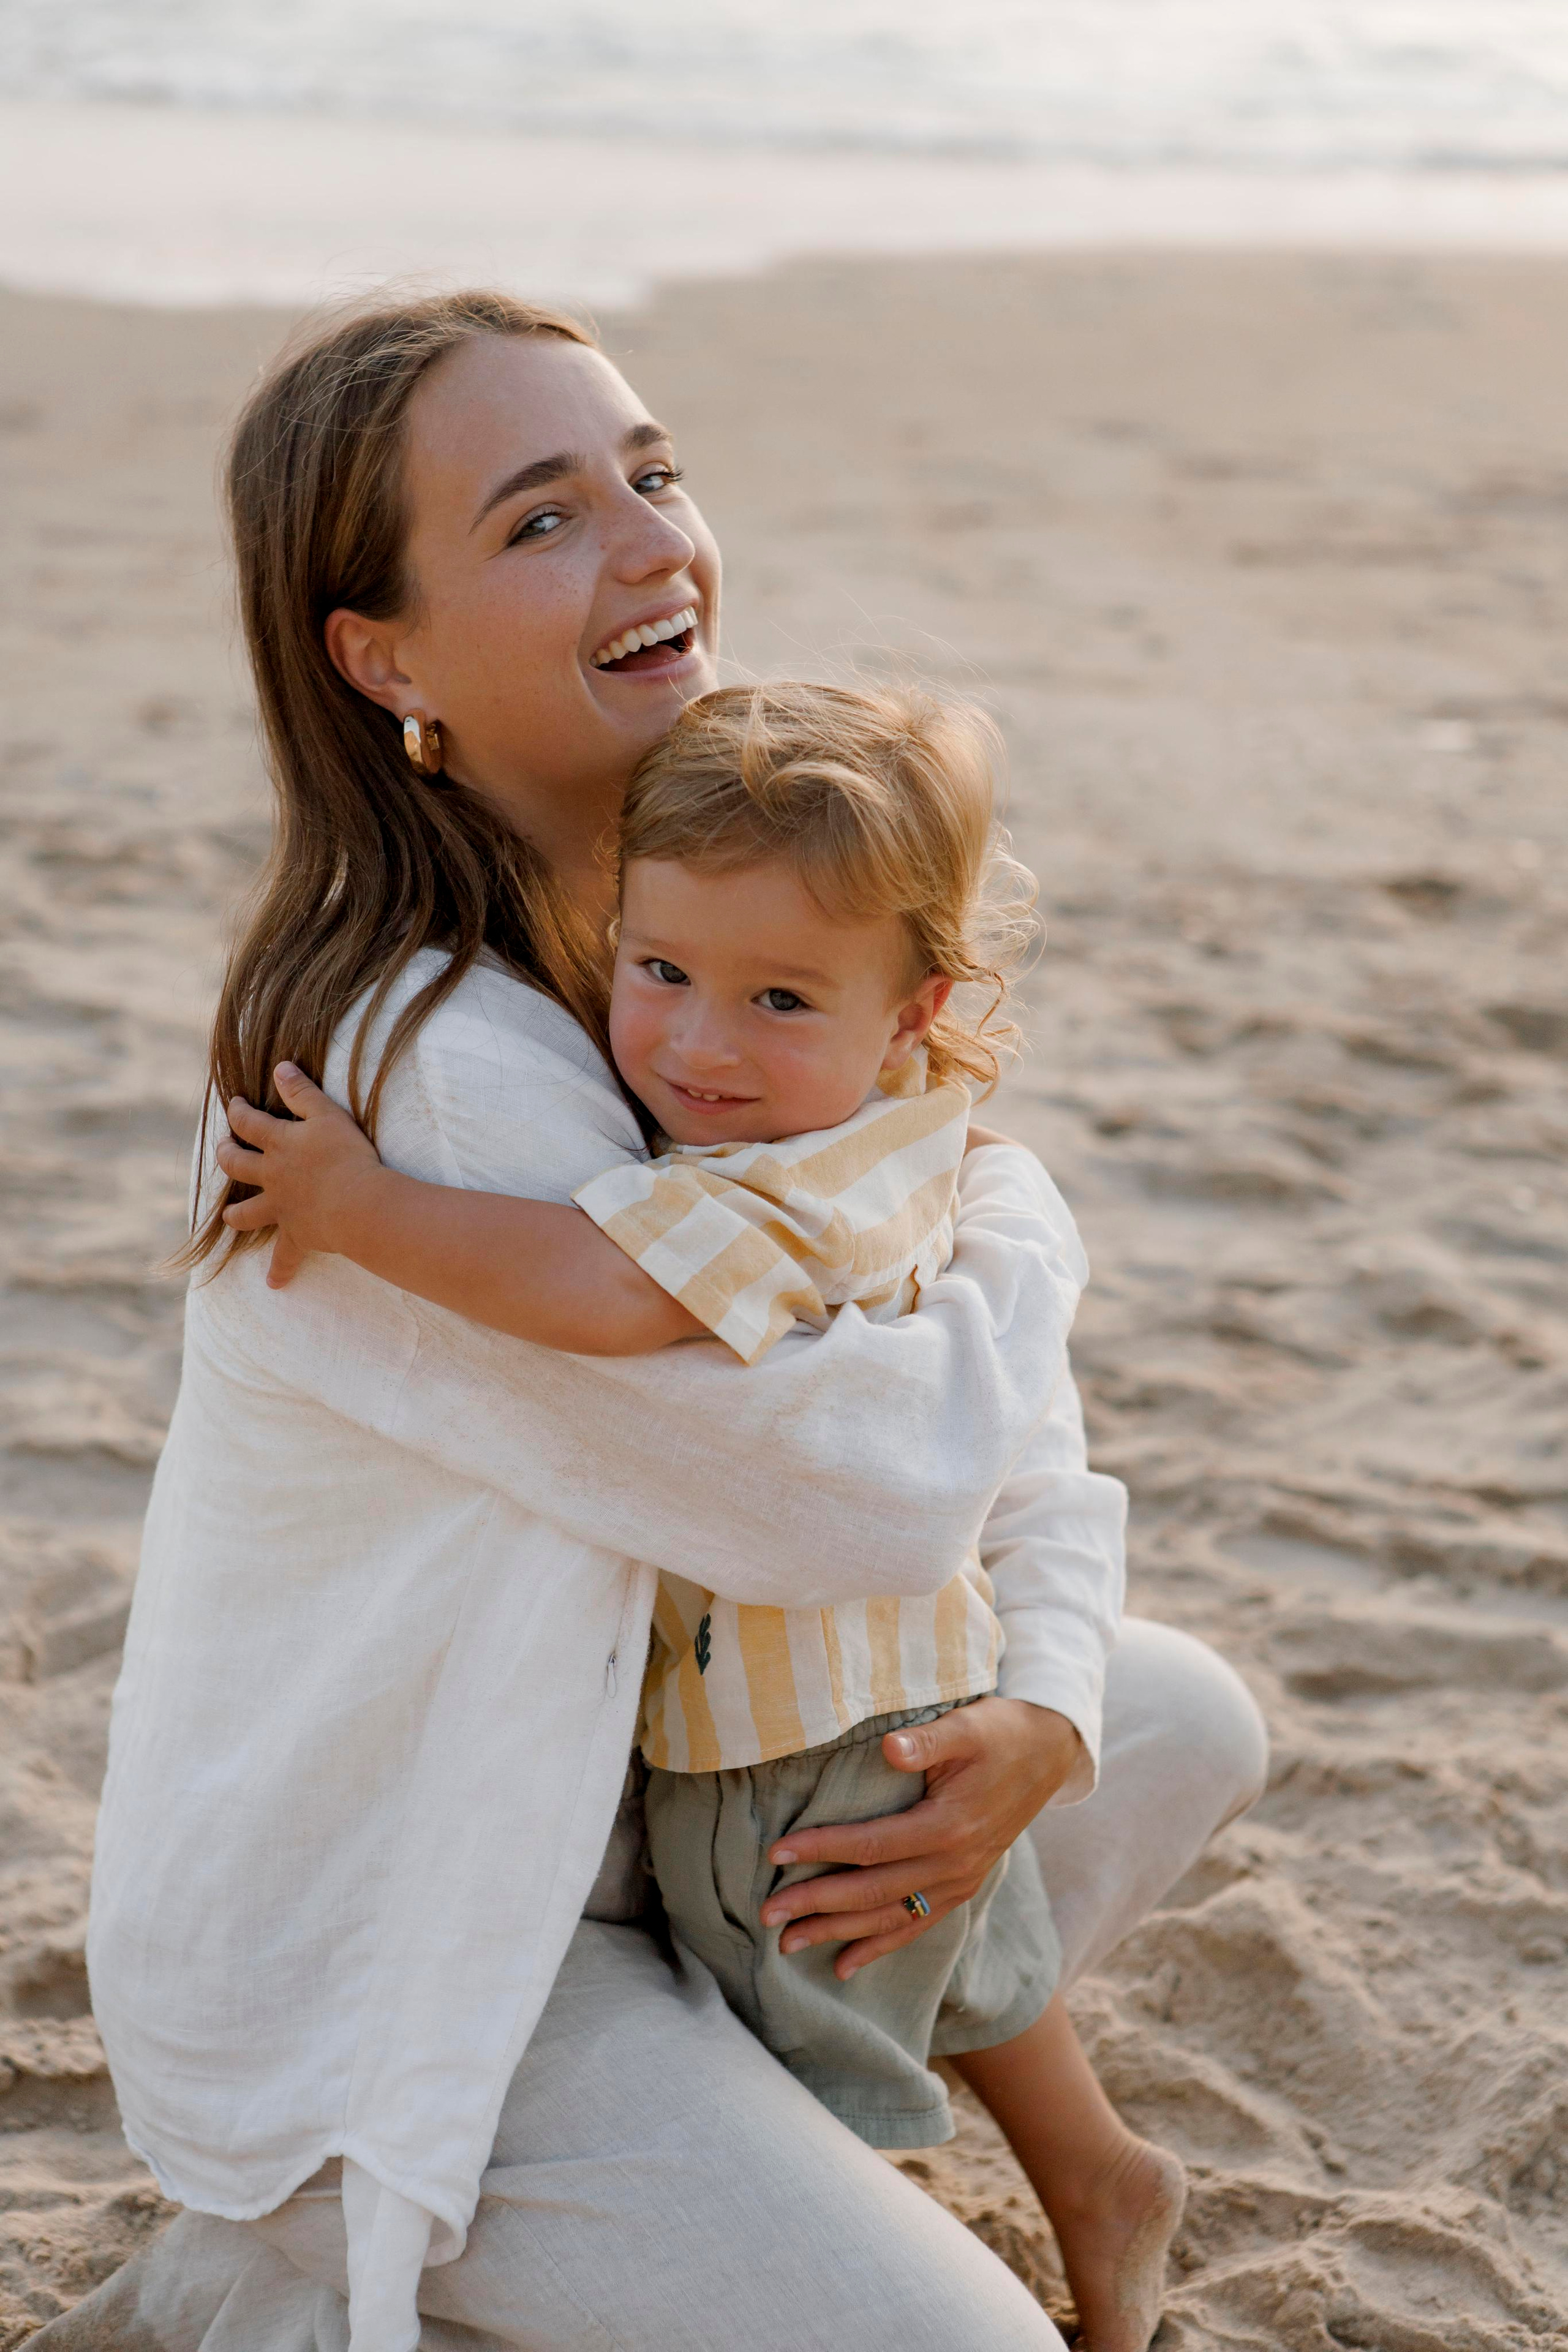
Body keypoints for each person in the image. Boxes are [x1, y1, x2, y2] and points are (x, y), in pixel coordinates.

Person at [49, 292, 1267, 2352]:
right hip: (424, 1954)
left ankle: (701, 2189)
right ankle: (274, 2272)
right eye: (540, 519)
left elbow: (956, 1329)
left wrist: (1045, 1698)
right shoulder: (426, 1081)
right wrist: (1019, 1225)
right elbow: (878, 1497)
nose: (650, 542)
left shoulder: (703, 953)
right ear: (385, 657)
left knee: (1162, 1721)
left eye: (655, 472)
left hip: (653, 1813)